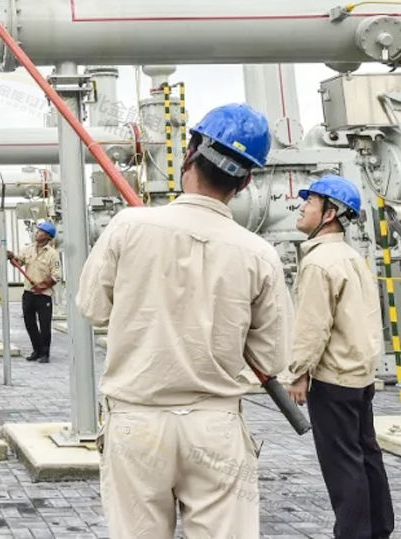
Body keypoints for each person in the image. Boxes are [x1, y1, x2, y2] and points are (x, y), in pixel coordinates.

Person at [77, 103, 292, 539]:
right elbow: (272, 358)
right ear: (246, 181)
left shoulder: (128, 227)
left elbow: (93, 308)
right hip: (215, 427)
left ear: (191, 153)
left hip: (137, 422)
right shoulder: (259, 254)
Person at [286, 175, 394, 539]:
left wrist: (299, 372)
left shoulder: (319, 262)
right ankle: (379, 529)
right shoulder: (351, 257)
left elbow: (313, 325)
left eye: (310, 202)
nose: (301, 207)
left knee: (342, 464)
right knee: (367, 455)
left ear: (330, 213)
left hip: (332, 380)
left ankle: (352, 534)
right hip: (359, 377)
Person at [7, 219, 61, 363]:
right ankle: (36, 350)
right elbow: (18, 262)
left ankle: (45, 353)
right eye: (38, 230)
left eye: (41, 231)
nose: (37, 233)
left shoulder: (52, 254)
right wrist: (12, 257)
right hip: (29, 293)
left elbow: (56, 276)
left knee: (44, 325)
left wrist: (42, 286)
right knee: (29, 323)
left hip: (44, 295)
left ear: (47, 236)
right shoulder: (28, 249)